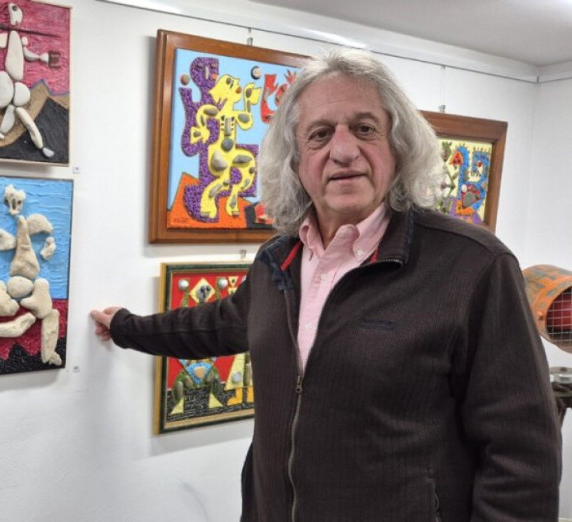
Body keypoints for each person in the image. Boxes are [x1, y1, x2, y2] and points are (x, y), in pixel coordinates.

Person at [91, 48, 561, 521]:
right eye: (320, 134)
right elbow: (220, 323)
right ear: (296, 161)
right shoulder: (278, 259)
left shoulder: (473, 266)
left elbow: (523, 455)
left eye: (364, 128)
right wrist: (126, 327)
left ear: (397, 146)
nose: (343, 151)